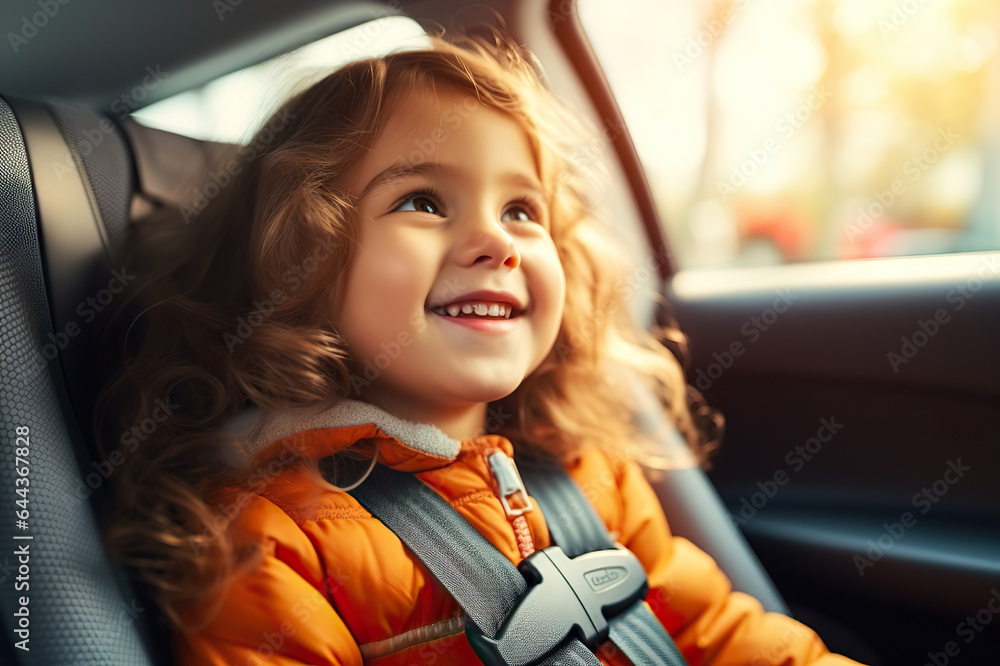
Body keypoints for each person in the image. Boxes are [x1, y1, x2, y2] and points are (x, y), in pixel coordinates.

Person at [98, 29, 864, 666]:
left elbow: (716, 634)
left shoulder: (588, 475)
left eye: (522, 210)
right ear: (295, 265)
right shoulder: (273, 542)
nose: (495, 240)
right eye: (423, 201)